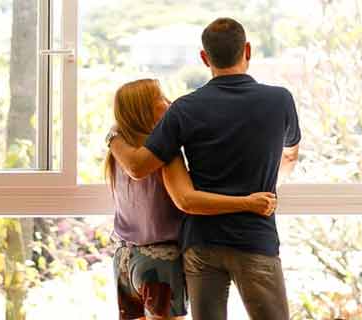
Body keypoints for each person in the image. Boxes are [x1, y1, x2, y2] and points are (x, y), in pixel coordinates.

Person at [109, 18, 302, 320]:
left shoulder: (184, 109)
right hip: (254, 238)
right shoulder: (280, 100)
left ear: (204, 57)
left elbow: (139, 166)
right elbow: (290, 156)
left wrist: (112, 138)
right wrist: (265, 185)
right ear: (247, 50)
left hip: (200, 244)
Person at [107, 79, 279, 320]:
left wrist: (112, 136)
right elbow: (188, 200)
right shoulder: (161, 153)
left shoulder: (118, 152)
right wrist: (248, 202)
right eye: (161, 97)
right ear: (144, 109)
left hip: (125, 261)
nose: (169, 102)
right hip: (159, 264)